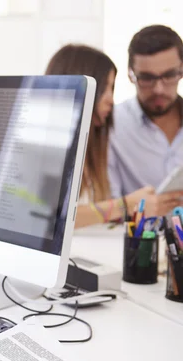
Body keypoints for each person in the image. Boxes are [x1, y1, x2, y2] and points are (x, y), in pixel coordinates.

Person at [45, 44, 183, 228]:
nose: (111, 100)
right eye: (105, 89)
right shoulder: (46, 147)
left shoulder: (94, 145)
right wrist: (126, 205)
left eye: (112, 89)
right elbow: (50, 217)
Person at [109, 25, 183, 212]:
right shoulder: (111, 124)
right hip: (138, 236)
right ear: (130, 74)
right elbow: (108, 207)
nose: (158, 89)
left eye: (169, 75)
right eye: (147, 78)